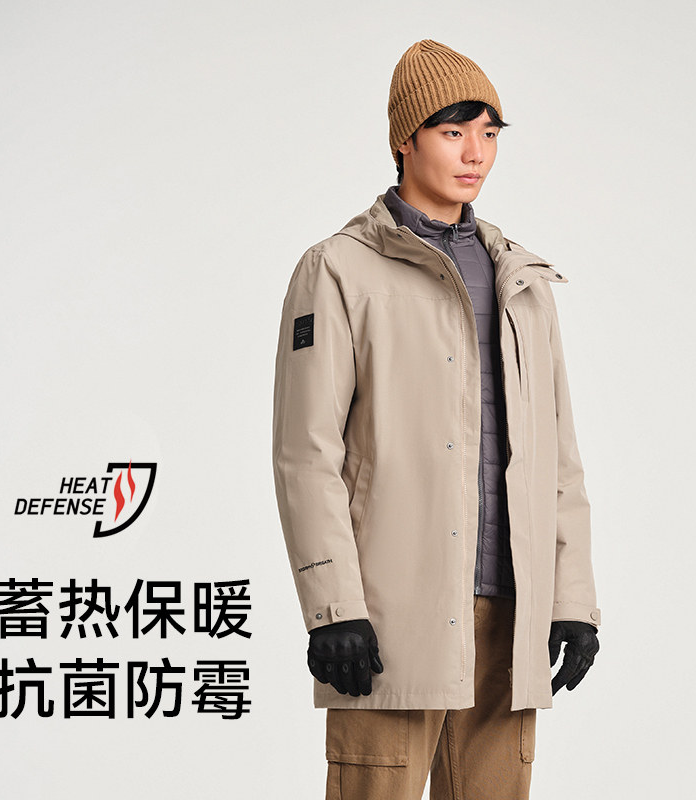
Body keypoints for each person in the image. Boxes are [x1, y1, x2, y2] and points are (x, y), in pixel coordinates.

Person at [272, 38, 601, 800]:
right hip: (391, 622)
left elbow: (558, 459)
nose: (475, 153)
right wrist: (332, 609)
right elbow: (306, 454)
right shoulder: (339, 269)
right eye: (453, 131)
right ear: (405, 139)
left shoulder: (522, 282)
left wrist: (572, 600)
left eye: (488, 132)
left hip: (509, 621)